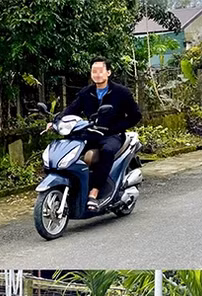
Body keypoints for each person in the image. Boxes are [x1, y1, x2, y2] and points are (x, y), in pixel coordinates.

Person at [53, 56, 142, 211]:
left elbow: (136, 116)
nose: (97, 74)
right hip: (91, 133)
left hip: (112, 136)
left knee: (106, 151)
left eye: (100, 71)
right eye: (94, 71)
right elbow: (71, 110)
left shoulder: (121, 93)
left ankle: (94, 194)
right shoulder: (86, 93)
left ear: (108, 72)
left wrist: (116, 128)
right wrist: (57, 121)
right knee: (71, 149)